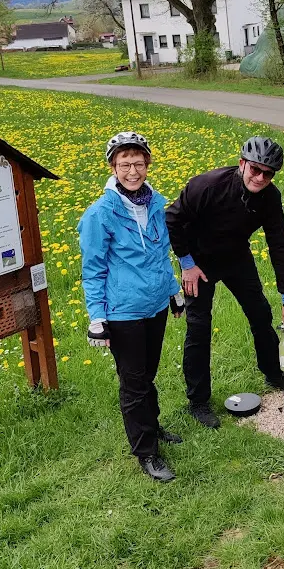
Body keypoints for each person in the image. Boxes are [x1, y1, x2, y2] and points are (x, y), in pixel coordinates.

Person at [165, 136, 284, 429]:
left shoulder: (270, 197)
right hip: (198, 261)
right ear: (242, 164)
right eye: (255, 169)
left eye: (268, 173)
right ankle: (198, 402)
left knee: (260, 313)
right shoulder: (207, 185)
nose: (260, 177)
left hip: (236, 256)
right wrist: (186, 264)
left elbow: (278, 245)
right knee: (199, 327)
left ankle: (273, 372)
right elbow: (171, 220)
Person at [78, 131, 184, 482]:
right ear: (113, 167)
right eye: (125, 164)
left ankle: (151, 427)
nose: (133, 171)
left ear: (147, 164)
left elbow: (160, 254)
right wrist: (97, 317)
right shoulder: (100, 213)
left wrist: (174, 291)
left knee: (147, 374)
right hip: (123, 312)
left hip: (155, 307)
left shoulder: (156, 203)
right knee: (134, 382)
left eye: (138, 163)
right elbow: (93, 270)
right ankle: (146, 451)